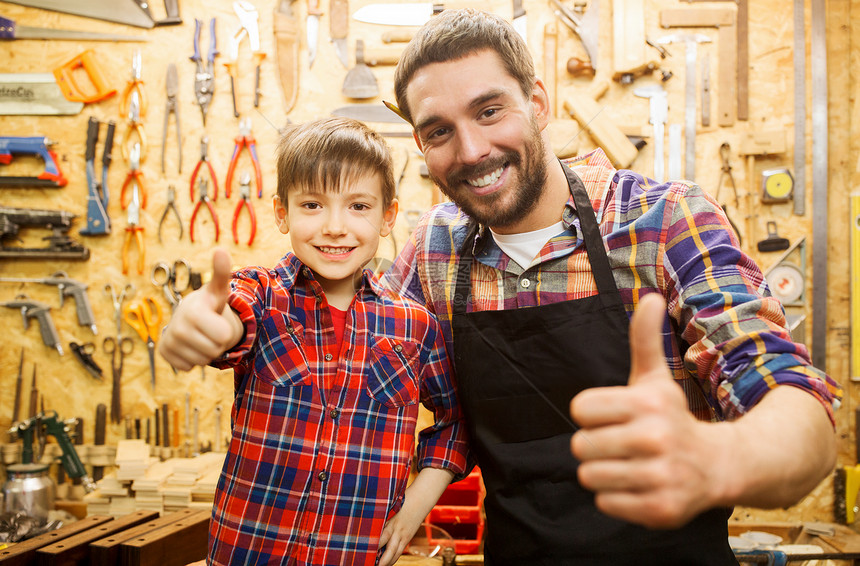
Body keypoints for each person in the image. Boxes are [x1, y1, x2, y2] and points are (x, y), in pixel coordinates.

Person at [382, 9, 843, 565]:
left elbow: (792, 402)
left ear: (538, 103)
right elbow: (344, 348)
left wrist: (722, 457)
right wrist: (245, 321)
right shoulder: (435, 250)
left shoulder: (663, 220)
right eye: (440, 131)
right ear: (420, 144)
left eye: (489, 110)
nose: (472, 149)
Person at [158, 117, 469, 566]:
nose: (335, 227)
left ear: (388, 217)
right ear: (281, 213)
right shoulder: (261, 296)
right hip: (246, 552)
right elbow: (231, 319)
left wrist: (414, 509)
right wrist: (205, 327)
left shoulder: (415, 326)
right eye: (312, 205)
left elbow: (454, 422)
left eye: (358, 207)